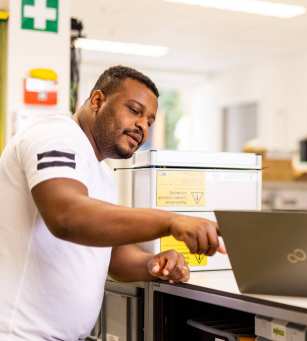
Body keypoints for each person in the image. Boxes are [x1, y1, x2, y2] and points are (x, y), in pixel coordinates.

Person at [0, 66, 222, 340]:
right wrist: (171, 221)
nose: (143, 126)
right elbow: (67, 216)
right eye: (134, 110)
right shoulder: (56, 134)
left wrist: (153, 264)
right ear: (97, 101)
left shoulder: (102, 174)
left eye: (150, 121)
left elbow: (114, 256)